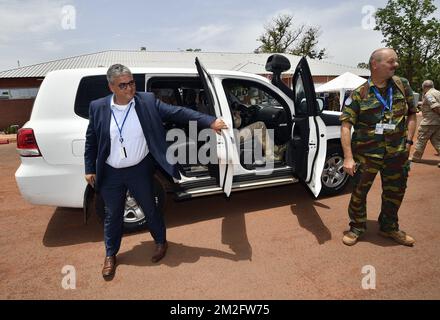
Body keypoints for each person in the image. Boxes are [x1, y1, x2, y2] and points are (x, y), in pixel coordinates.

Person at [84, 64, 227, 280]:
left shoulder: (147, 101)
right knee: (112, 216)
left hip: (139, 168)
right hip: (112, 172)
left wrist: (209, 121)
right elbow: (91, 140)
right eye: (123, 85)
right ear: (111, 87)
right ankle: (110, 255)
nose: (130, 88)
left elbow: (178, 112)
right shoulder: (98, 107)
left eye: (131, 82)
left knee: (151, 208)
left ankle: (161, 242)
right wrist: (89, 168)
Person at [339, 48, 417, 247]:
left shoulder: (402, 85)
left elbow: (411, 114)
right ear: (375, 64)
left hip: (397, 153)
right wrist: (348, 157)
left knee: (395, 192)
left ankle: (389, 227)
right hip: (366, 154)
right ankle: (357, 227)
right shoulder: (359, 93)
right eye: (391, 61)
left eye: (396, 62)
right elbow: (346, 126)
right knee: (358, 192)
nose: (396, 65)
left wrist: (408, 142)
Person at [410, 80, 440, 166]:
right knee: (436, 140)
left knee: (421, 139)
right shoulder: (438, 93)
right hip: (437, 122)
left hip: (429, 122)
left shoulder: (429, 94)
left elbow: (435, 106)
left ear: (424, 87)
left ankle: (416, 157)